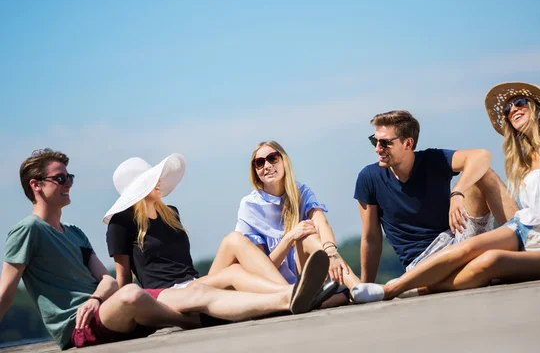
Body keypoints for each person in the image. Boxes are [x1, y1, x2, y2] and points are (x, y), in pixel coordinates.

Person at [0, 149, 327, 350]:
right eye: (61, 178)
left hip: (108, 307)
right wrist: (104, 297)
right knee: (134, 295)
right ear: (36, 185)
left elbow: (108, 281)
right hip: (79, 327)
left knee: (197, 292)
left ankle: (286, 298)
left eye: (69, 176)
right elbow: (6, 291)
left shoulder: (74, 234)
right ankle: (205, 320)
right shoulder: (28, 231)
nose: (69, 182)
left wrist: (98, 297)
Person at [349, 81, 540, 302]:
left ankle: (400, 289)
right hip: (522, 229)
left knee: (490, 260)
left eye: (520, 102)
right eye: (507, 108)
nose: (512, 109)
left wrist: (457, 192)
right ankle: (394, 287)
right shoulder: (526, 158)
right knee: (473, 251)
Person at [103, 153, 331, 316]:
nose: (159, 180)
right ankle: (292, 292)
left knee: (233, 240)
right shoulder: (120, 223)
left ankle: (293, 293)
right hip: (167, 293)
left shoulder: (170, 214)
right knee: (233, 272)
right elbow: (124, 279)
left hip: (194, 282)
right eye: (152, 179)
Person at [355, 110, 518, 283]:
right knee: (485, 268)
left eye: (385, 143)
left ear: (408, 144)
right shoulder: (369, 178)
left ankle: (524, 243)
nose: (377, 148)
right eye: (374, 140)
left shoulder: (433, 160)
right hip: (424, 262)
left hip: (459, 240)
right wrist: (366, 286)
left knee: (483, 174)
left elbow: (482, 156)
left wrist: (457, 192)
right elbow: (371, 238)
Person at [213, 141, 360, 307]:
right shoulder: (250, 206)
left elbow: (321, 222)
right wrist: (289, 238)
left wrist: (332, 253)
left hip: (304, 280)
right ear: (255, 171)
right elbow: (262, 269)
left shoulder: (301, 192)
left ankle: (356, 286)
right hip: (272, 285)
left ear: (284, 161)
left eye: (272, 158)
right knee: (301, 234)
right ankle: (336, 296)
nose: (266, 166)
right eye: (259, 163)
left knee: (309, 237)